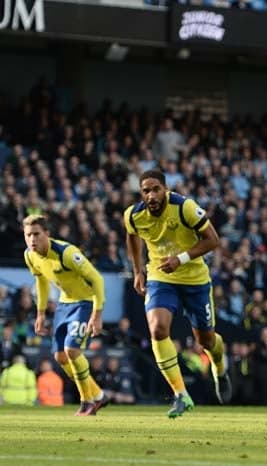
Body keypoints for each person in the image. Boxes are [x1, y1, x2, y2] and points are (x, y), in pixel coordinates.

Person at [124, 169, 231, 418]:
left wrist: (181, 259)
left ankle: (219, 366)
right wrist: (138, 270)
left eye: (155, 189)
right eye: (146, 191)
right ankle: (181, 394)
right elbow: (132, 237)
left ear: (166, 189)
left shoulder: (185, 207)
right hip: (161, 277)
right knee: (158, 329)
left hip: (194, 280)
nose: (151, 195)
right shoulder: (133, 215)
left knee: (206, 340)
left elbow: (213, 240)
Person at [22, 214, 108, 415]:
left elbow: (97, 279)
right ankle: (98, 395)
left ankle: (87, 401)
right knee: (60, 356)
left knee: (72, 350)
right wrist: (41, 313)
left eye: (36, 234)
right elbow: (41, 282)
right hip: (64, 304)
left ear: (47, 234)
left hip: (86, 303)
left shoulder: (66, 253)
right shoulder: (30, 255)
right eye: (28, 235)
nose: (32, 239)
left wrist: (97, 313)